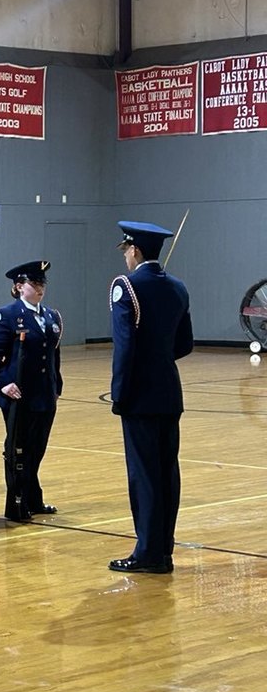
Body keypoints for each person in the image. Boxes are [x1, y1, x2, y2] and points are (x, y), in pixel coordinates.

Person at [108, 221, 193, 574]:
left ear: (135, 250)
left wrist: (120, 392)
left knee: (143, 474)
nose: (126, 255)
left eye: (126, 249)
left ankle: (146, 552)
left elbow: (124, 346)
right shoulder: (177, 287)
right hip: (169, 393)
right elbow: (184, 343)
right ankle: (164, 549)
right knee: (166, 472)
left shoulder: (125, 286)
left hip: (139, 395)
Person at [0, 260, 63, 522]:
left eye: (43, 284)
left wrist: (56, 382)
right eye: (34, 283)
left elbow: (53, 352)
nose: (40, 288)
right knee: (18, 449)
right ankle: (16, 501)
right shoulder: (7, 315)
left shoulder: (51, 316)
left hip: (45, 394)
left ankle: (33, 497)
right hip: (18, 395)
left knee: (37, 448)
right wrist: (4, 382)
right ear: (19, 287)